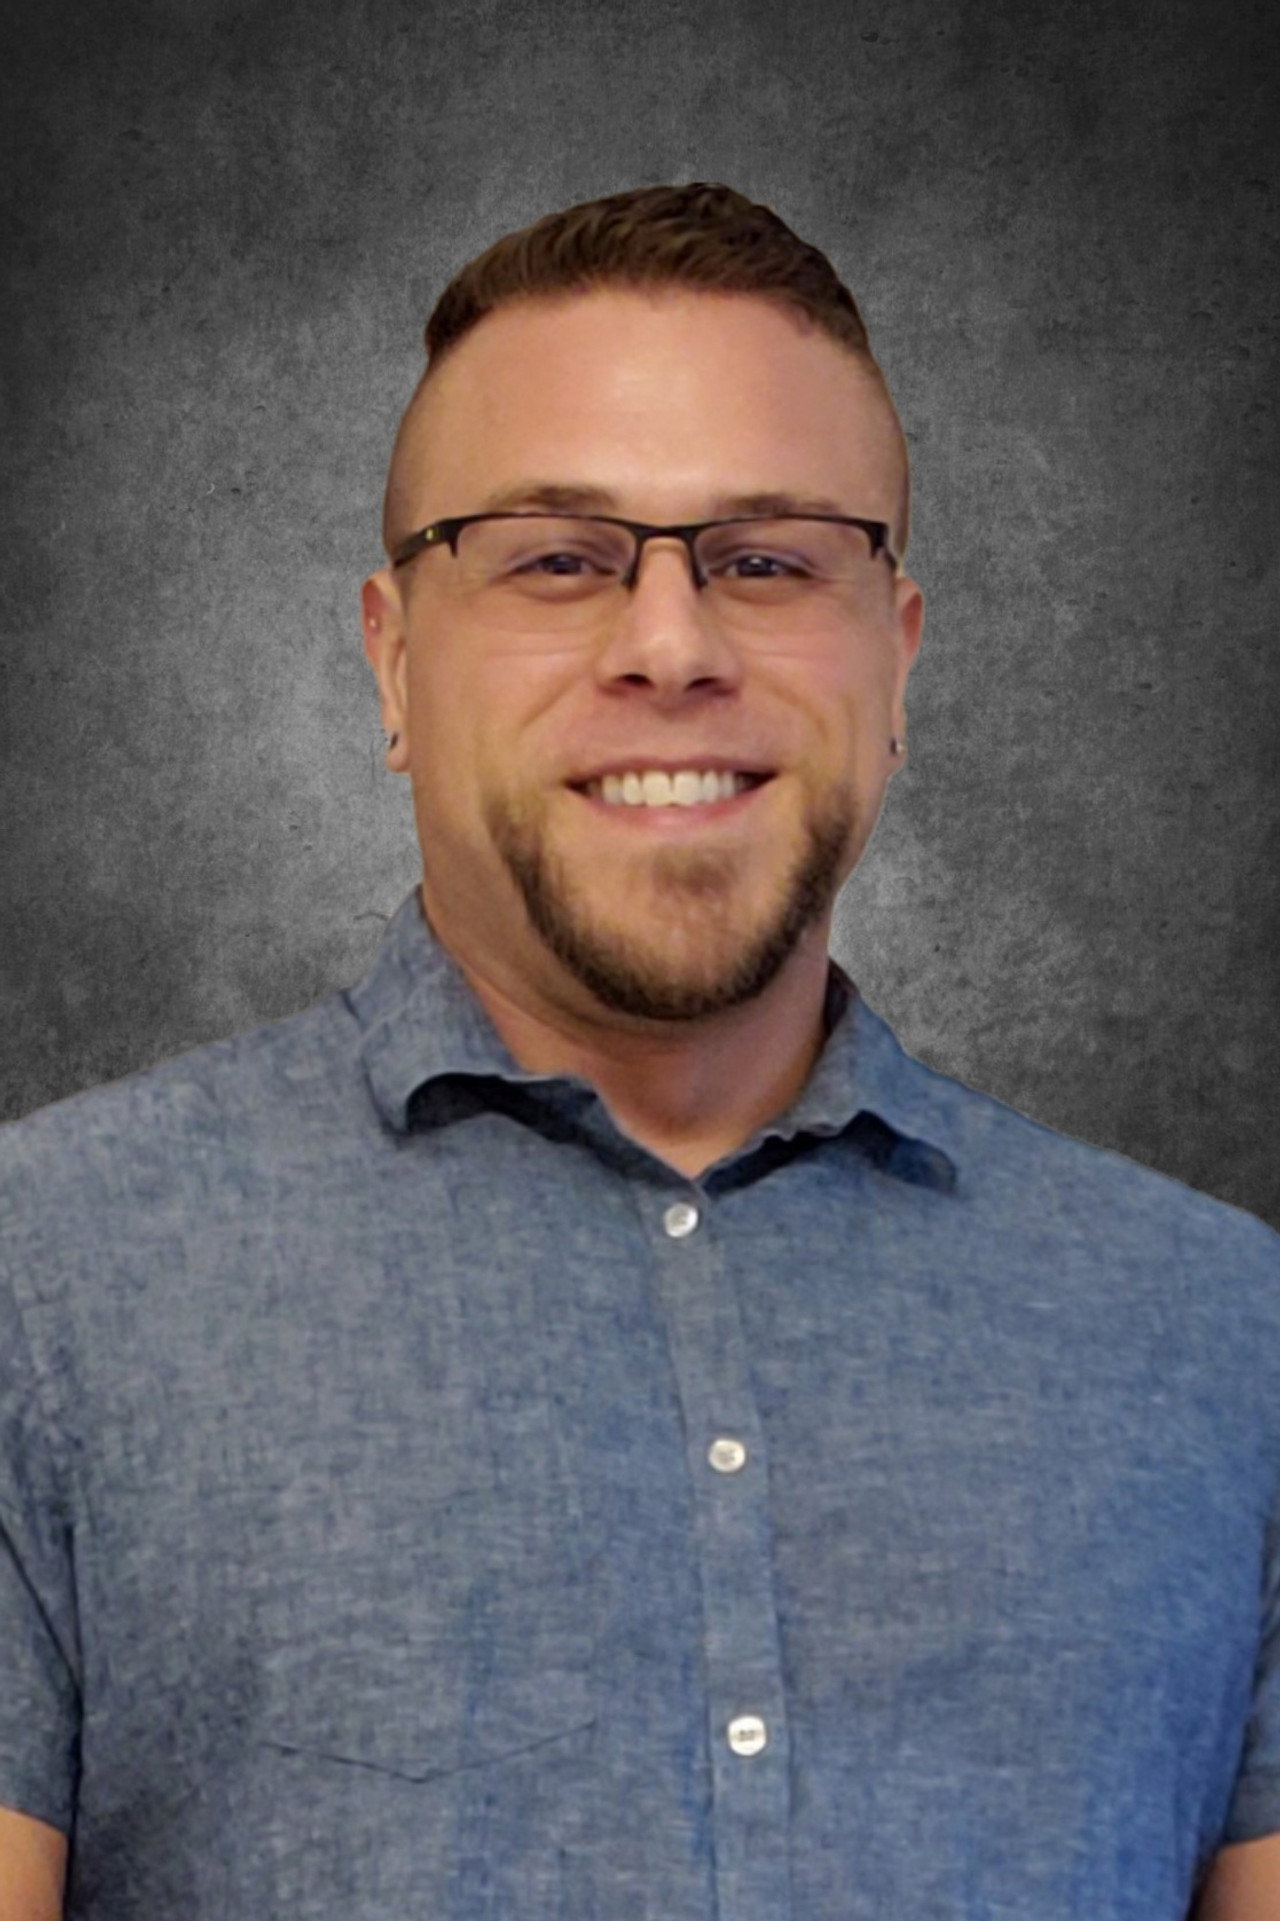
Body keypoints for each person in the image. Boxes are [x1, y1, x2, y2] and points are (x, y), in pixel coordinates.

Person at [0, 183, 1277, 1921]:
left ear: (896, 663)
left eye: (768, 559)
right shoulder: (41, 1284)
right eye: (554, 557)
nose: (672, 646)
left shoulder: (1230, 1339)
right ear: (394, 664)